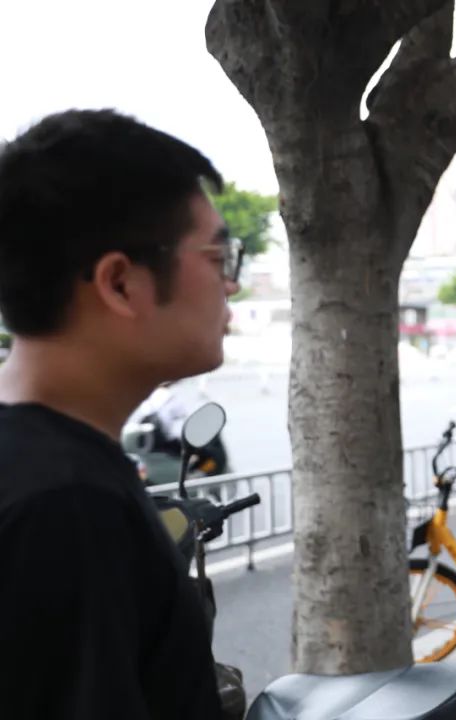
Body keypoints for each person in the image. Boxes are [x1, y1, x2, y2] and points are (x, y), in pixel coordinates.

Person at [0, 109, 242, 719]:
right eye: (218, 258)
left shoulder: (41, 470)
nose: (231, 286)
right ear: (120, 283)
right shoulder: (67, 505)